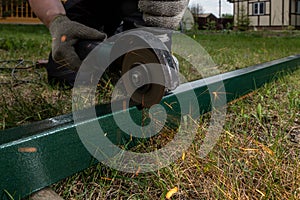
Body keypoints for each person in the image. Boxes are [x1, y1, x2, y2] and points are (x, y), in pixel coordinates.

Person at [28, 0, 189, 87]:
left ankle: (125, 44)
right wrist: (58, 22)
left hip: (140, 3)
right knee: (63, 73)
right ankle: (115, 45)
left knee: (150, 76)